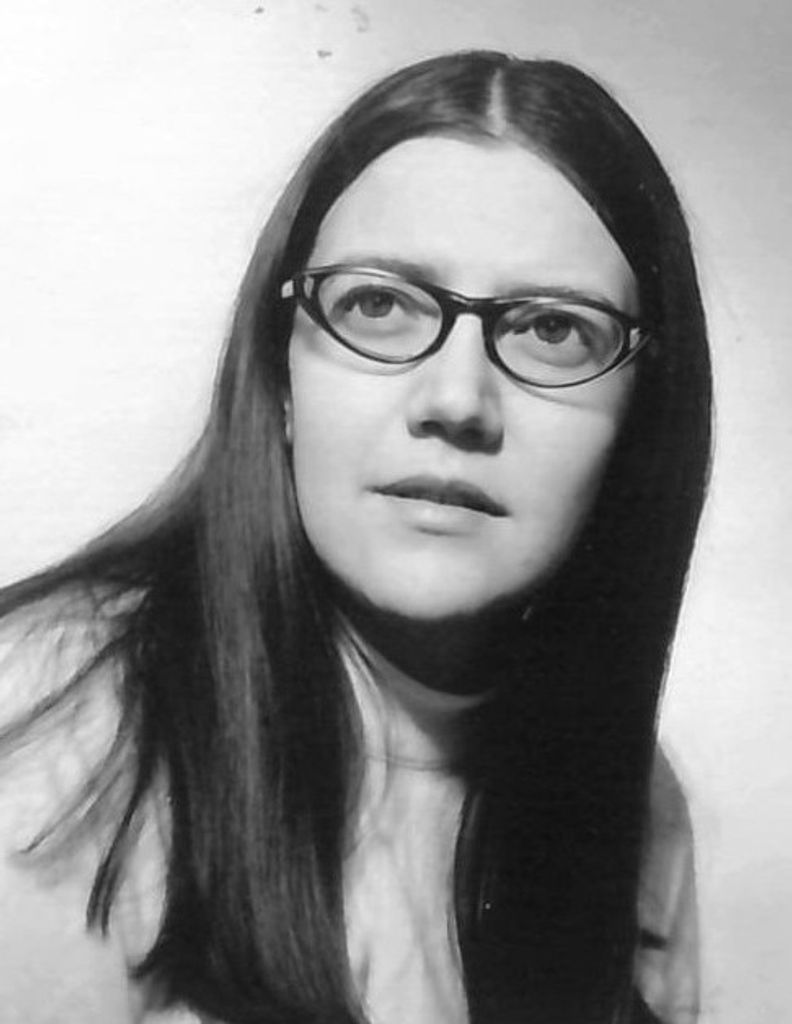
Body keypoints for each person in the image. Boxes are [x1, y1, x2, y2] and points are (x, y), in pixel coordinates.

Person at [0, 50, 710, 1024]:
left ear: (640, 418)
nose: (457, 400)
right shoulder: (52, 722)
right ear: (281, 376)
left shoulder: (636, 805)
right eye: (378, 305)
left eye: (553, 329)